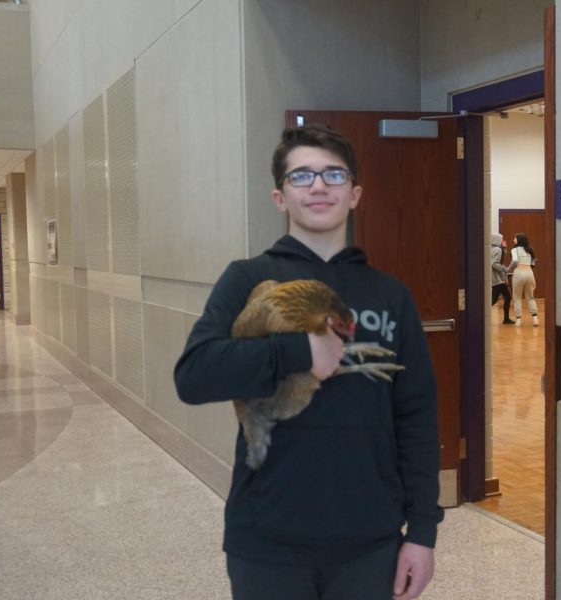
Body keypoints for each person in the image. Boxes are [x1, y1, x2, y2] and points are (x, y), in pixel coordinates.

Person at [174, 124, 443, 600]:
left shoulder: (390, 296)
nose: (318, 186)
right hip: (266, 538)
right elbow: (194, 375)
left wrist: (421, 532)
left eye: (333, 175)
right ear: (280, 198)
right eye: (302, 176)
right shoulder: (247, 279)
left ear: (355, 193)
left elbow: (416, 417)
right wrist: (297, 352)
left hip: (370, 539)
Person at [509, 233, 538, 327]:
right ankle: (535, 319)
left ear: (519, 240)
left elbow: (515, 261)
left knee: (517, 298)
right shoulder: (530, 250)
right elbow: (533, 263)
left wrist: (509, 269)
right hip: (530, 273)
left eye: (515, 238)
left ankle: (518, 320)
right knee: (530, 297)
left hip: (519, 273)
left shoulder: (514, 250)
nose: (513, 240)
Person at [490, 233, 513, 324]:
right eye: (501, 239)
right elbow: (494, 264)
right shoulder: (497, 249)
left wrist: (504, 248)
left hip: (496, 278)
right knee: (493, 300)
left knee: (507, 296)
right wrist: (506, 269)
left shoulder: (491, 249)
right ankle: (479, 314)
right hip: (498, 278)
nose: (502, 241)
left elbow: (501, 258)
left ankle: (506, 319)